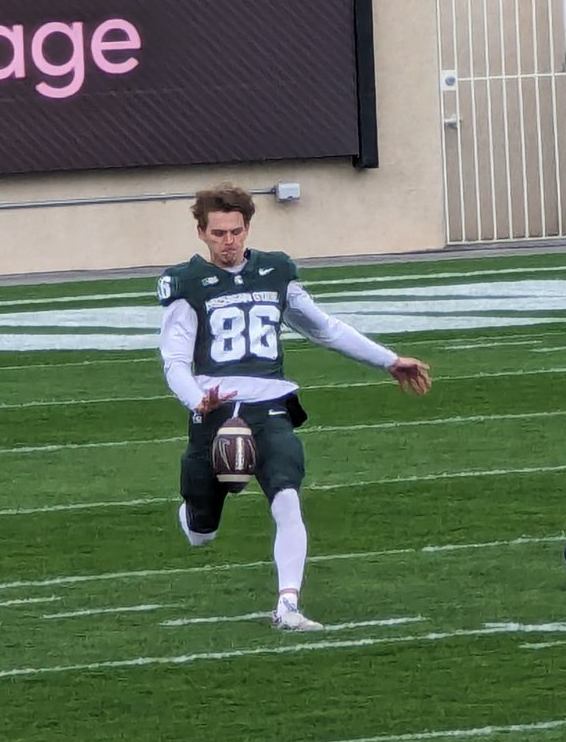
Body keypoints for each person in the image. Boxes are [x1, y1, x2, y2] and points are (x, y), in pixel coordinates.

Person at [157, 183, 431, 631]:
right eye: (219, 233)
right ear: (201, 232)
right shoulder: (187, 284)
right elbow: (174, 361)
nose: (229, 242)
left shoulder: (275, 272)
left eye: (236, 231)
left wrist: (388, 360)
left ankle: (287, 605)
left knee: (287, 500)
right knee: (200, 533)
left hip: (271, 406)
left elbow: (324, 328)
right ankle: (195, 512)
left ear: (247, 228)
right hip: (215, 411)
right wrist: (197, 400)